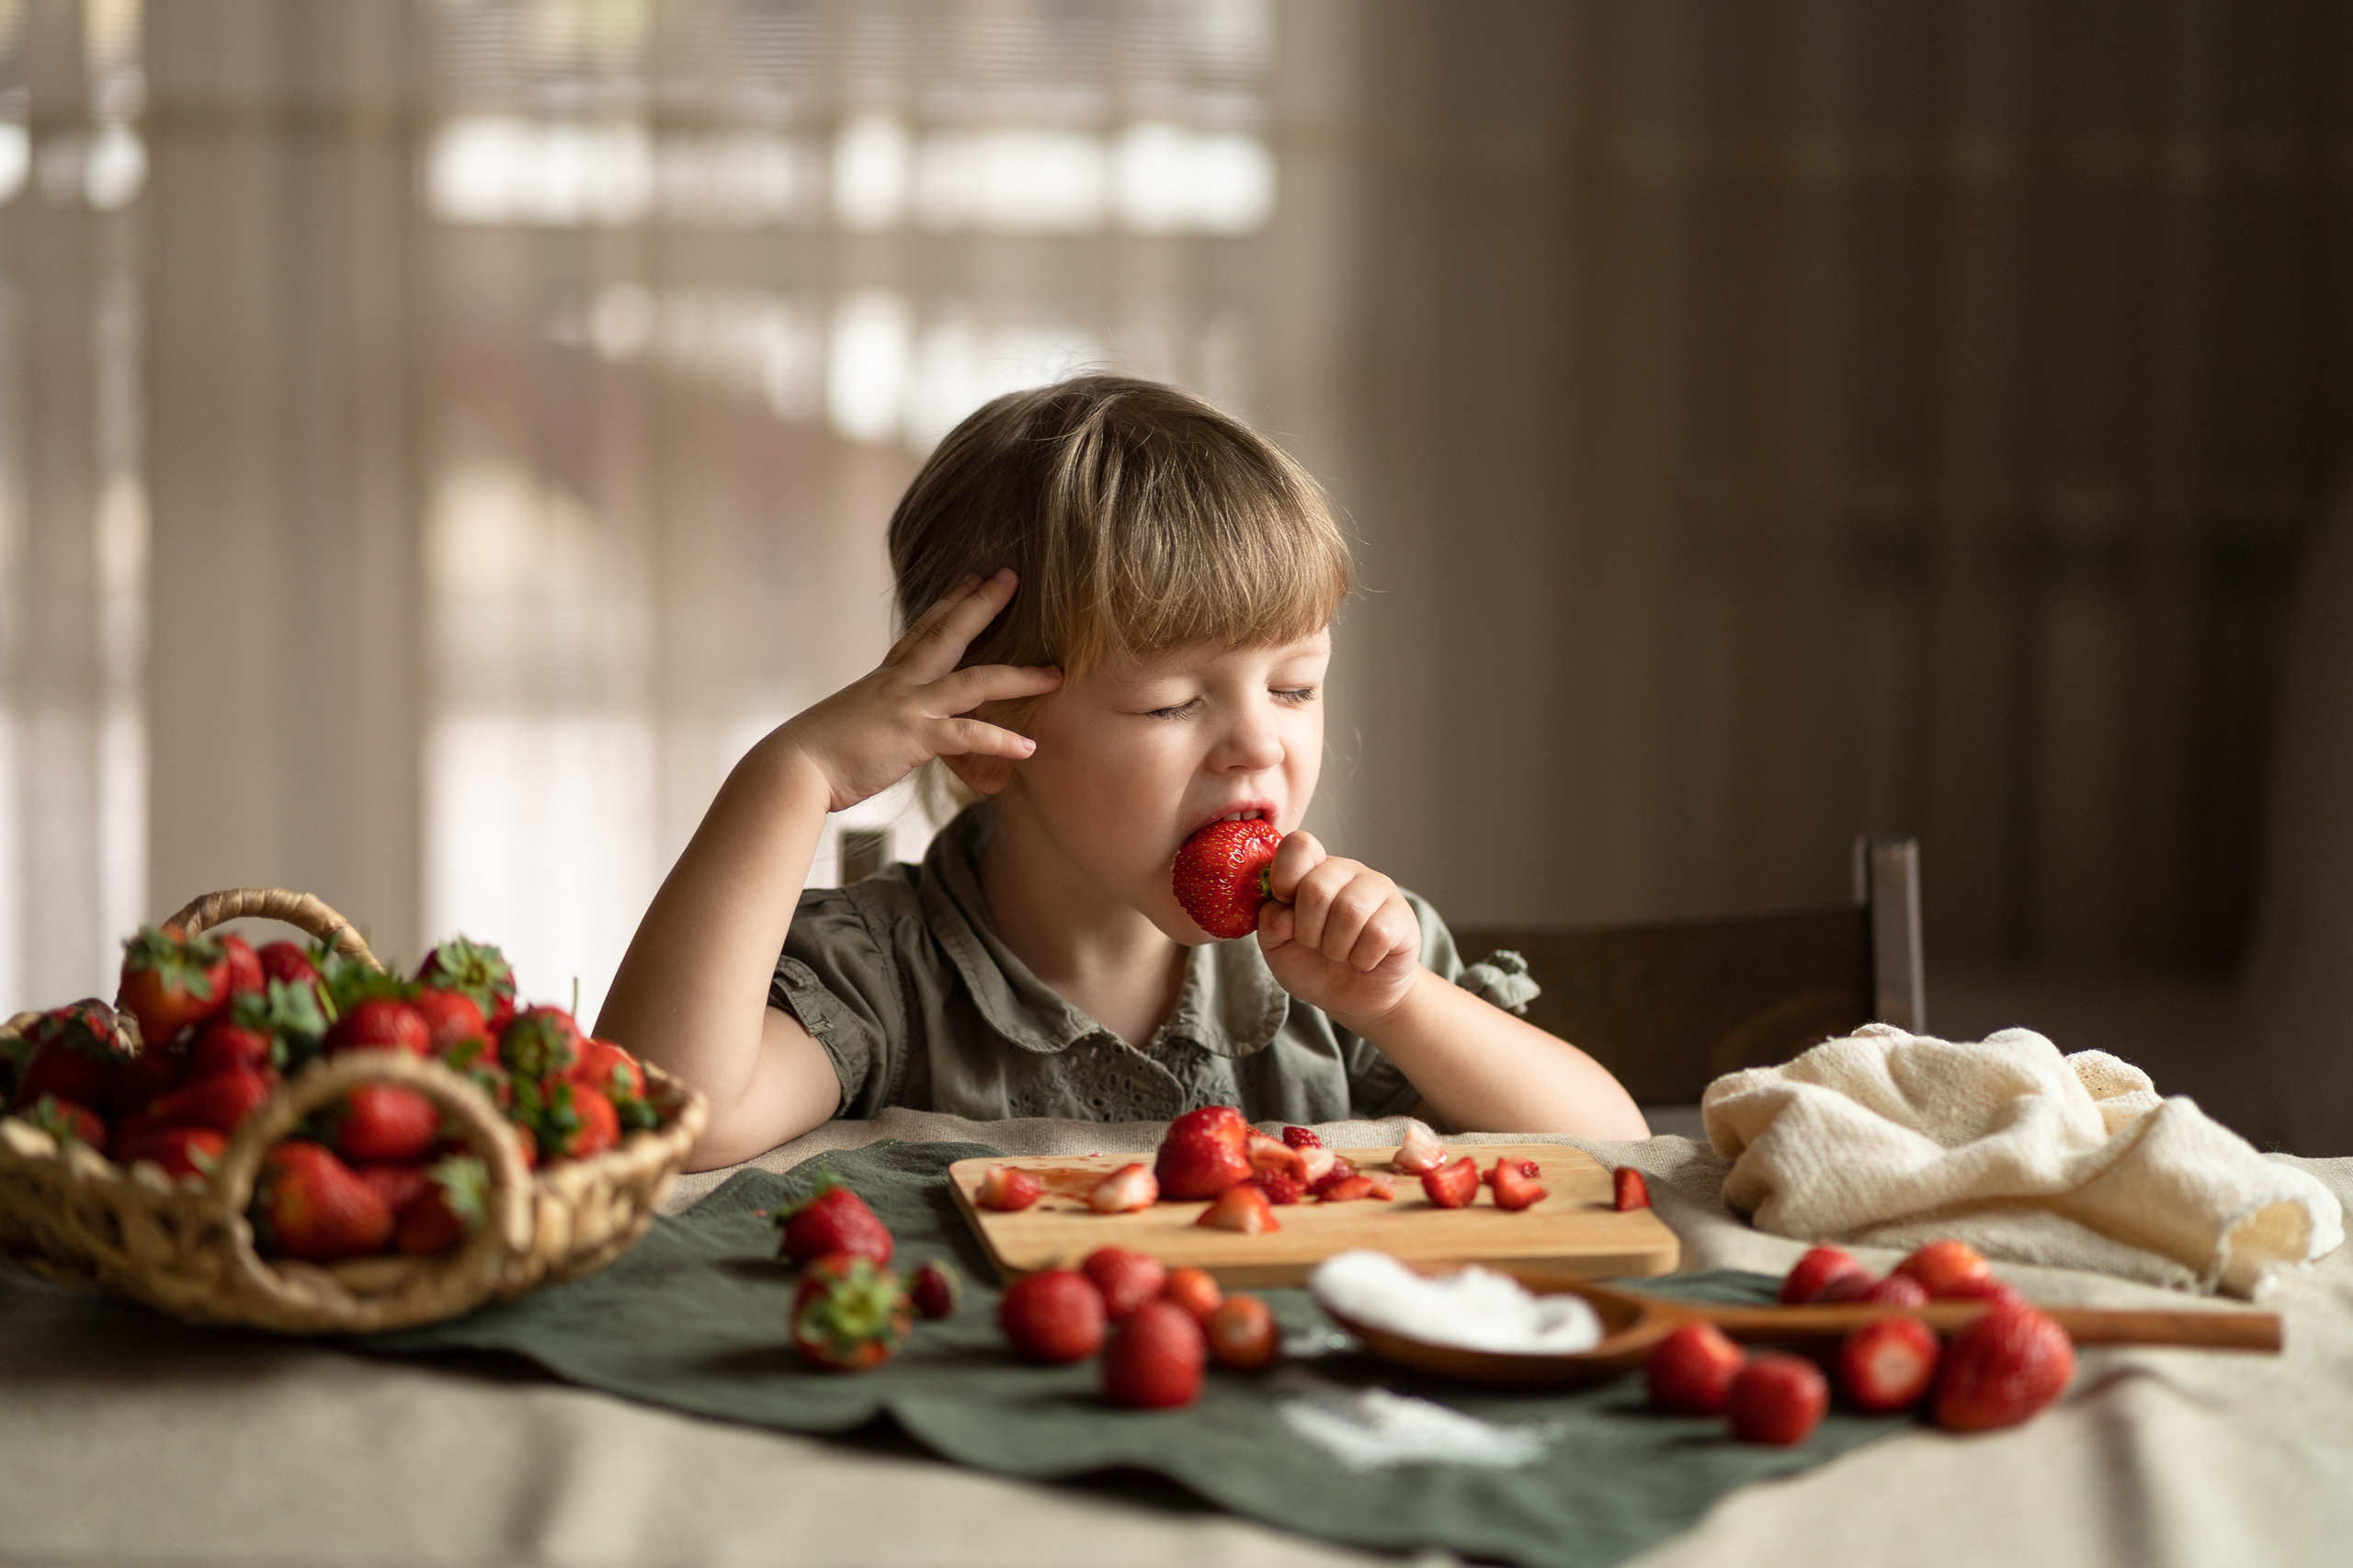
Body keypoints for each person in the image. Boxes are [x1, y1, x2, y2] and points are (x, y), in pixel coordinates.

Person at [597, 376, 1649, 1169]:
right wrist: (793, 770)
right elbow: (667, 1111)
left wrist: (1397, 1001)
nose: (1258, 745)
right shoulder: (889, 974)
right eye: (1171, 703)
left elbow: (1615, 1144)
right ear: (982, 730)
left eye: (1292, 687)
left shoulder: (1350, 963)